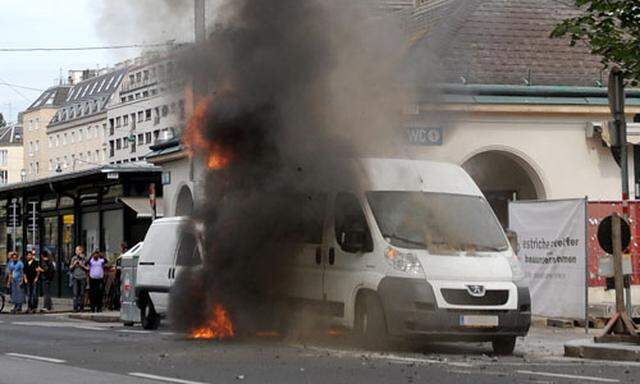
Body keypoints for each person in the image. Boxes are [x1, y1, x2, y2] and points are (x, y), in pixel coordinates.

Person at [70, 245, 89, 312]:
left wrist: (82, 265)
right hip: (75, 277)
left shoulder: (85, 259)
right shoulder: (73, 258)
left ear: (81, 251)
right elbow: (70, 268)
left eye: (77, 250)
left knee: (82, 293)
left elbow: (88, 268)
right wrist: (74, 264)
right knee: (75, 293)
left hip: (82, 277)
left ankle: (81, 307)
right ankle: (75, 307)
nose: (76, 252)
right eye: (76, 250)